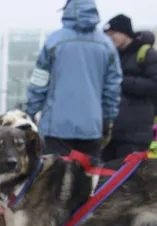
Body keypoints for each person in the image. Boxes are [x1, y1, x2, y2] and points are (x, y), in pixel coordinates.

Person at [25, 0, 122, 161]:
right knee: (88, 181)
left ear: (67, 11)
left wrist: (30, 111)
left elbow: (39, 82)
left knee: (52, 180)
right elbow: (112, 88)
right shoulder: (106, 45)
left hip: (54, 128)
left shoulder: (53, 42)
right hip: (91, 128)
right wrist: (107, 119)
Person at [102, 16, 157, 163]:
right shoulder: (111, 58)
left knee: (130, 180)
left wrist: (122, 81)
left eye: (113, 33)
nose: (110, 38)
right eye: (107, 35)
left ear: (125, 32)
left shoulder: (147, 55)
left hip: (135, 135)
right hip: (111, 135)